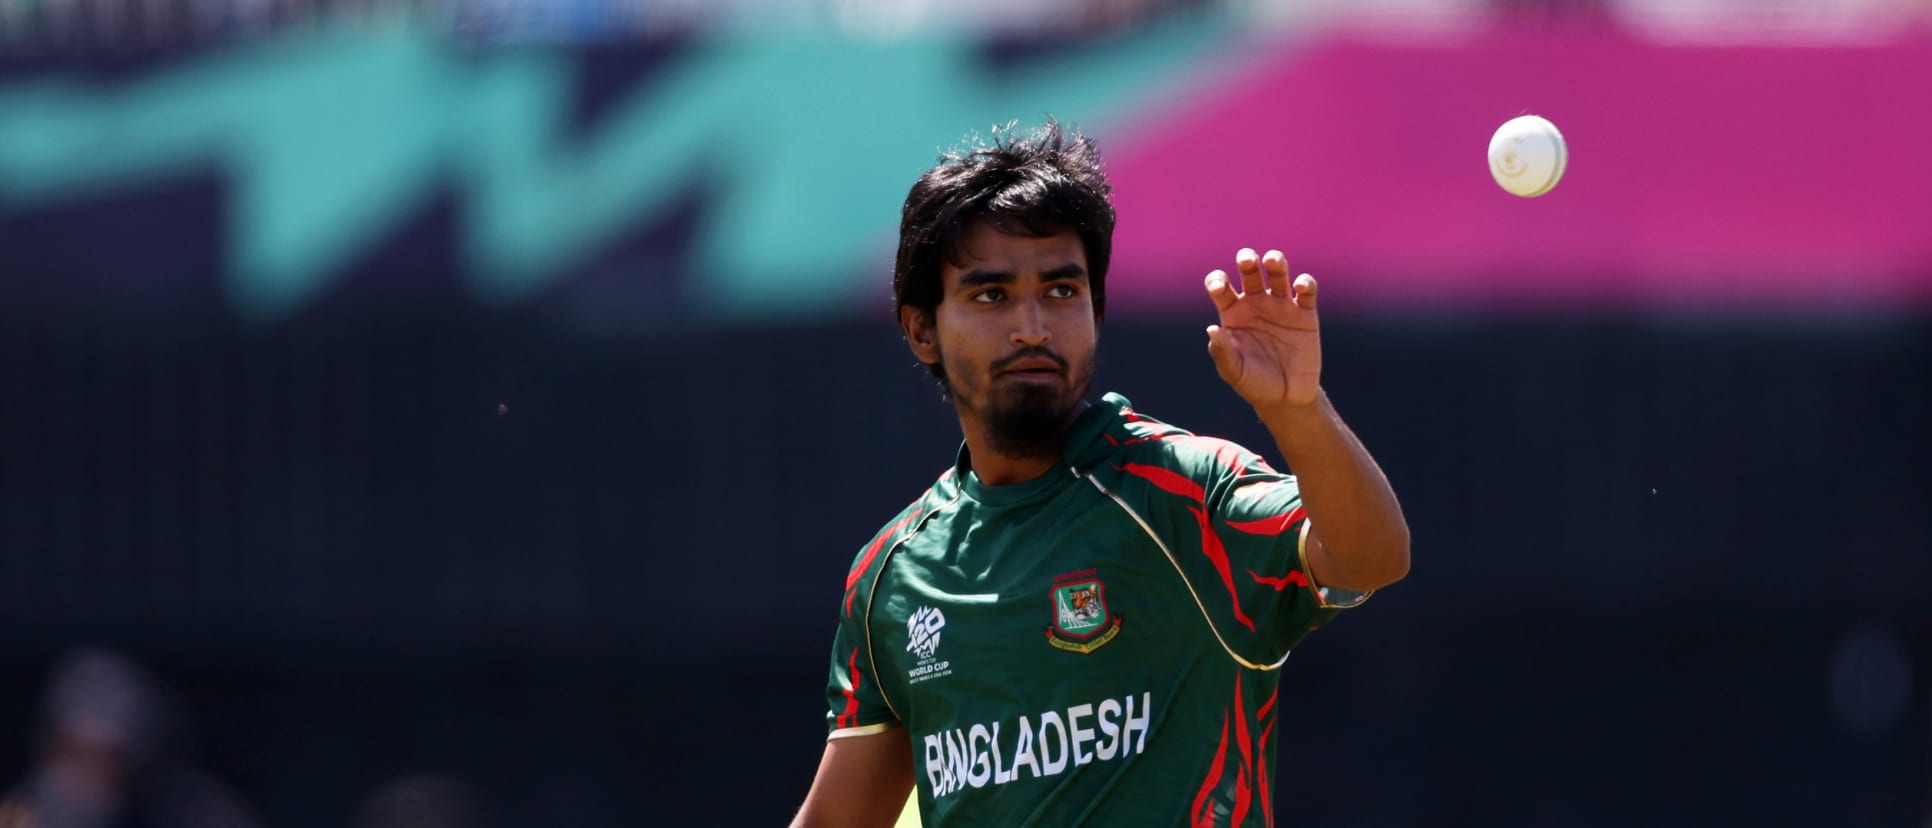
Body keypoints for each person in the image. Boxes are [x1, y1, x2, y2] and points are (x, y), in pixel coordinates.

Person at [789, 119, 1411, 828]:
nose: (1032, 326)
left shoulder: (1183, 491)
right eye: (991, 296)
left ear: (1095, 309)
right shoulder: (893, 575)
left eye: (1060, 291)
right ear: (922, 329)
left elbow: (1372, 558)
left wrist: (1300, 414)